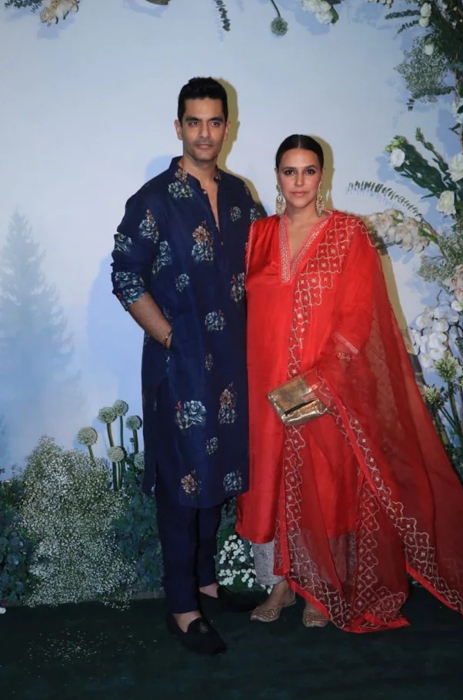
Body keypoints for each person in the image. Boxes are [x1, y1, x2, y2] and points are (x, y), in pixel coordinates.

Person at [236, 134, 463, 632]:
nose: (299, 182)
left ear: (323, 176)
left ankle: (323, 588)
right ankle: (282, 585)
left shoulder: (348, 233)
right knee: (270, 480)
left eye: (309, 171)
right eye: (290, 171)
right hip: (264, 383)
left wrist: (321, 380)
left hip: (323, 386)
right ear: (277, 177)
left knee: (327, 484)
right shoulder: (259, 236)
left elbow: (358, 317)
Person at [111, 77, 260, 655]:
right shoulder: (152, 200)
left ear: (228, 127)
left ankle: (206, 583)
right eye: (194, 122)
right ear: (179, 127)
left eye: (214, 122)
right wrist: (171, 338)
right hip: (179, 367)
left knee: (215, 475)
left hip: (232, 366)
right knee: (181, 482)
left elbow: (264, 266)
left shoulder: (241, 195)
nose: (205, 133)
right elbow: (126, 277)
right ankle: (181, 606)